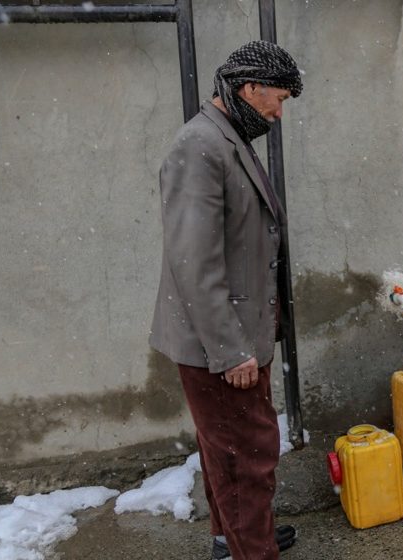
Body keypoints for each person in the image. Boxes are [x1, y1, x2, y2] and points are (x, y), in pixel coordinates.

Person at [149, 40, 302, 559]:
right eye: (278, 99)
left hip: (236, 334)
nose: (278, 114)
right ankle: (252, 551)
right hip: (221, 344)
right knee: (247, 456)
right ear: (249, 88)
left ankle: (232, 540)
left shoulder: (227, 137)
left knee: (228, 452)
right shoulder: (200, 146)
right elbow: (194, 262)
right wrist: (232, 350)